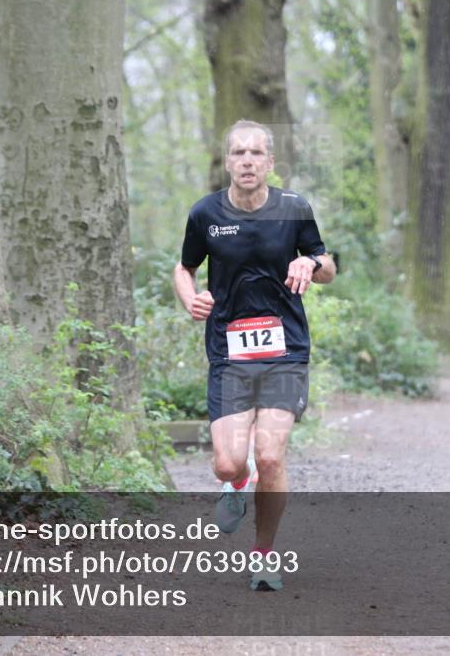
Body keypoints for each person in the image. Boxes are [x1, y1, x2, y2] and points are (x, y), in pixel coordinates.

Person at [172, 119, 336, 591]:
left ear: (270, 162)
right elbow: (184, 269)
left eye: (256, 153)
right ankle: (235, 484)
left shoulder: (294, 209)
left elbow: (328, 266)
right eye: (239, 153)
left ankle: (263, 555)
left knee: (270, 455)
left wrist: (310, 261)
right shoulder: (205, 214)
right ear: (227, 162)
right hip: (228, 351)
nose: (247, 161)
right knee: (229, 463)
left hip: (285, 350)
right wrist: (190, 297)